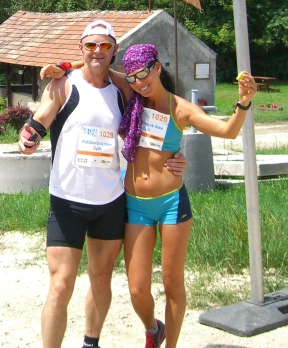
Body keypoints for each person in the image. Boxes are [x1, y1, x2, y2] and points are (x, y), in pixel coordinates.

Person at [43, 44, 256, 348]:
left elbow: (227, 131)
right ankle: (153, 329)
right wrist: (65, 67)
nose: (138, 82)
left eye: (143, 74)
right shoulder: (133, 97)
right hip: (135, 206)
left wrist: (243, 103)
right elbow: (99, 65)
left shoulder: (180, 108)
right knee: (137, 289)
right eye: (131, 77)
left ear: (157, 68)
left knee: (172, 283)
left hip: (171, 203)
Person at [19, 22, 186, 348]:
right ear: (81, 47)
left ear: (114, 50)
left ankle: (90, 343)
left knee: (100, 278)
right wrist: (27, 139)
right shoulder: (62, 86)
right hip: (67, 201)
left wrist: (177, 156)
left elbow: (160, 109)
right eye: (90, 45)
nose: (97, 51)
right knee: (60, 285)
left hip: (110, 202)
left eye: (105, 46)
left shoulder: (123, 89)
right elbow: (37, 122)